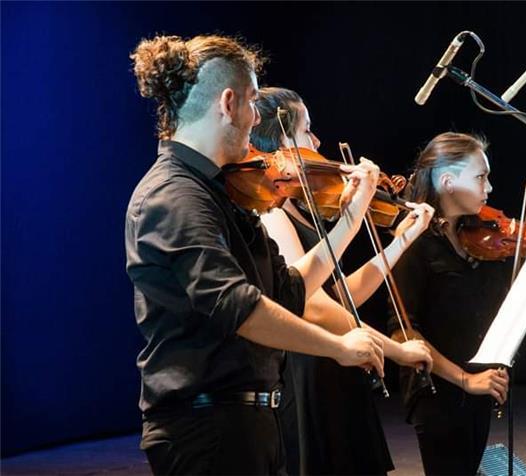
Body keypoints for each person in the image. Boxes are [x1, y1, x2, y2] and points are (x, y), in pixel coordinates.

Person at [125, 34, 390, 476]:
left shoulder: (222, 191)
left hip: (248, 423)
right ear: (228, 103)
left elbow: (288, 288)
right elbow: (238, 307)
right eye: (251, 101)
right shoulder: (174, 195)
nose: (255, 119)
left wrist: (351, 219)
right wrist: (338, 345)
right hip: (206, 430)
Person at [249, 87, 434, 475]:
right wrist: (397, 351)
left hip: (338, 367)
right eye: (306, 132)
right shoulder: (271, 216)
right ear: (279, 143)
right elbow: (312, 306)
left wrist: (400, 242)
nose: (318, 143)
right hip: (308, 379)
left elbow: (341, 297)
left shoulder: (302, 211)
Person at [389, 132, 526, 475]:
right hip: (440, 392)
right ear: (447, 182)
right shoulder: (414, 242)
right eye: (481, 177)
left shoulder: (476, 239)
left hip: (480, 384)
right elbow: (403, 332)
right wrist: (464, 379)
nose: (489, 188)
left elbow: (512, 310)